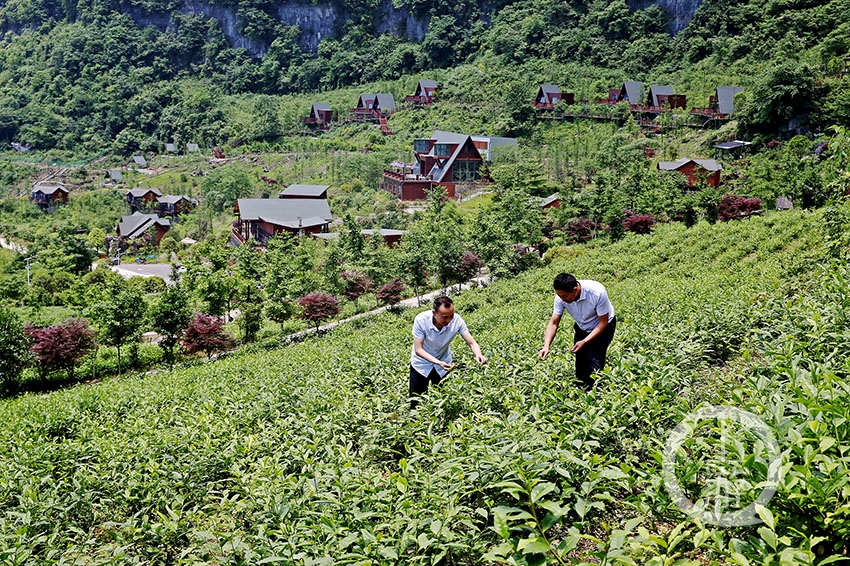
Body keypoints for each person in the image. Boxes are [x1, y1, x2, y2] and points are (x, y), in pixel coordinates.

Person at [538, 273, 616, 388]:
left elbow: (603, 322)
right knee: (581, 360)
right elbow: (554, 323)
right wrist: (546, 346)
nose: (562, 299)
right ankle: (581, 389)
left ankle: (597, 393)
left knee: (595, 360)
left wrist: (585, 341)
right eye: (559, 296)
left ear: (575, 290)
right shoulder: (561, 297)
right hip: (582, 326)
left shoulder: (597, 292)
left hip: (603, 326)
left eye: (564, 296)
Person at [409, 296, 487, 408]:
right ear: (434, 313)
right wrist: (437, 362)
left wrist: (478, 354)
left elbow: (471, 342)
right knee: (417, 400)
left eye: (451, 315)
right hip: (421, 364)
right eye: (445, 317)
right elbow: (418, 350)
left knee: (444, 398)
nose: (449, 320)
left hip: (444, 363)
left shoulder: (457, 320)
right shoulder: (421, 320)